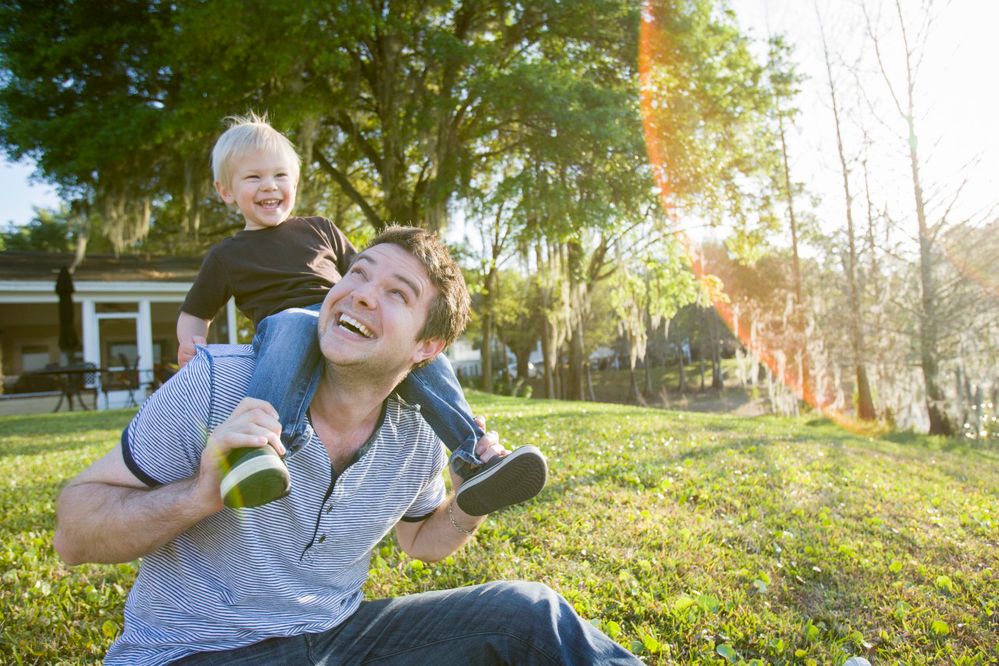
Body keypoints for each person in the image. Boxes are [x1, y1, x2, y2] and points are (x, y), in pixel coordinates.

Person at [53, 227, 641, 665]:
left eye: (396, 293)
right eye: (357, 273)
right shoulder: (221, 384)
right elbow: (74, 533)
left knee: (529, 615)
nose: (359, 293)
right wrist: (202, 493)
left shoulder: (419, 433)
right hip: (194, 652)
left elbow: (420, 541)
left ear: (427, 348)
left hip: (338, 641)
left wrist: (467, 505)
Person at [177, 112, 545, 514]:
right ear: (226, 190)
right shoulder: (226, 255)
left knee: (421, 354)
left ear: (294, 184)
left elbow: (368, 275)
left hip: (344, 316)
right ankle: (257, 449)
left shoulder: (319, 229)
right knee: (296, 323)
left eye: (280, 176)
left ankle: (475, 455)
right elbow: (196, 311)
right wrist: (190, 343)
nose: (270, 186)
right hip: (284, 325)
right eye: (253, 178)